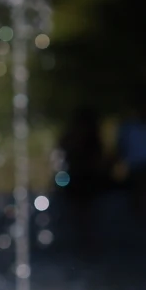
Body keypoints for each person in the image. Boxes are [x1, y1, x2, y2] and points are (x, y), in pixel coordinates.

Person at [52, 106, 112, 249]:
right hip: (73, 180)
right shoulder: (69, 140)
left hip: (89, 181)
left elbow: (100, 164)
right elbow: (59, 166)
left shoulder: (94, 142)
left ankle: (86, 239)